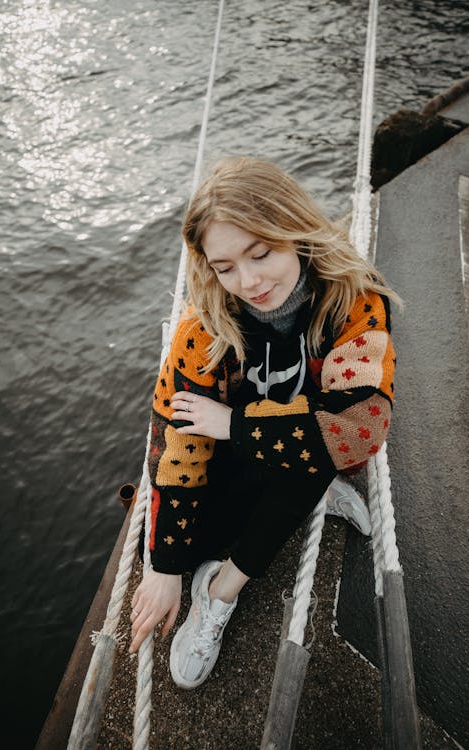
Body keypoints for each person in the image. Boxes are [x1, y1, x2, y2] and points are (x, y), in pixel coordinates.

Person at [128, 156, 400, 689]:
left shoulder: (355, 302)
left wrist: (235, 424)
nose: (248, 282)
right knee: (183, 541)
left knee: (320, 451)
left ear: (294, 230)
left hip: (273, 437)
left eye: (262, 253)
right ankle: (215, 557)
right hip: (250, 456)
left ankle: (219, 593)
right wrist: (161, 566)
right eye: (225, 267)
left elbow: (363, 424)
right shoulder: (202, 330)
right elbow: (175, 438)